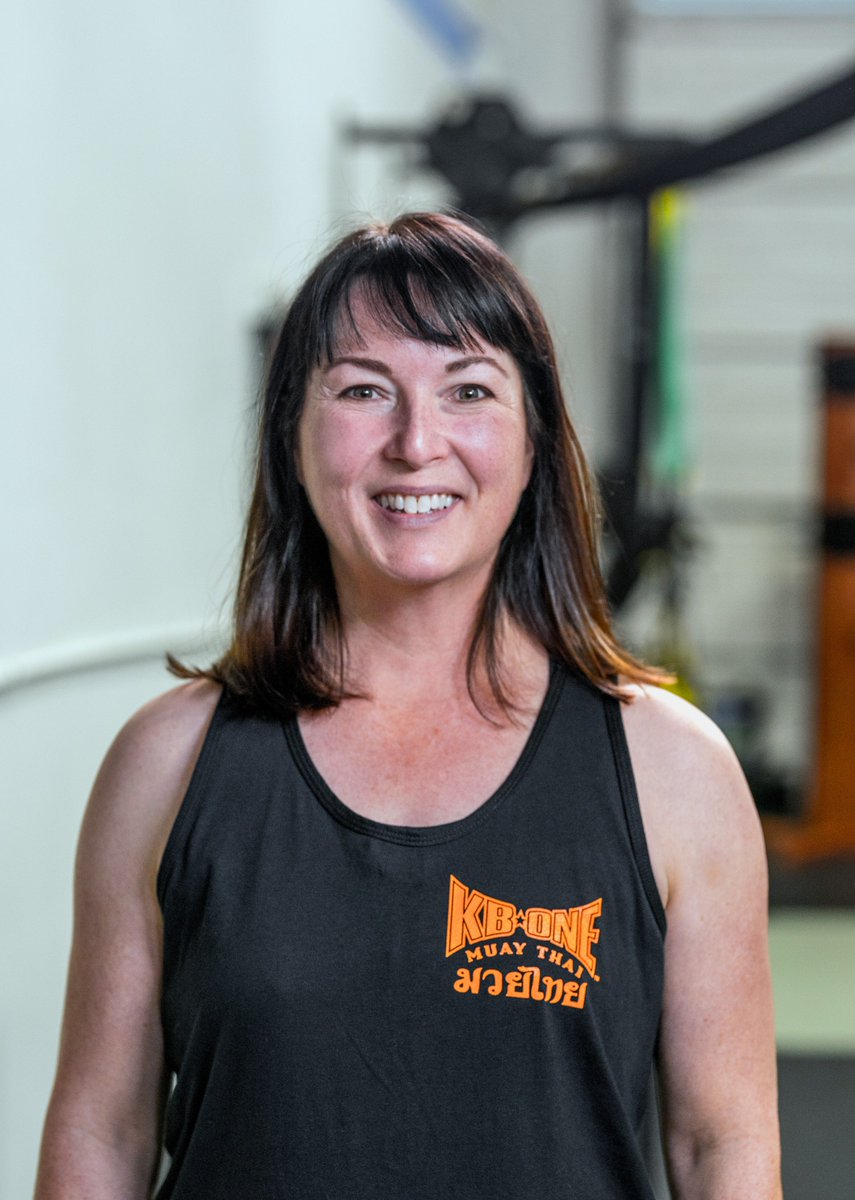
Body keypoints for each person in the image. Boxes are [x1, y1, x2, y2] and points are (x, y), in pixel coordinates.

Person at [34, 212, 781, 1199]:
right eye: (362, 390)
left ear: (535, 440)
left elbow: (720, 1143)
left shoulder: (673, 770)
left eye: (469, 391)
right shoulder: (166, 763)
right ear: (293, 437)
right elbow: (103, 1132)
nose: (416, 442)